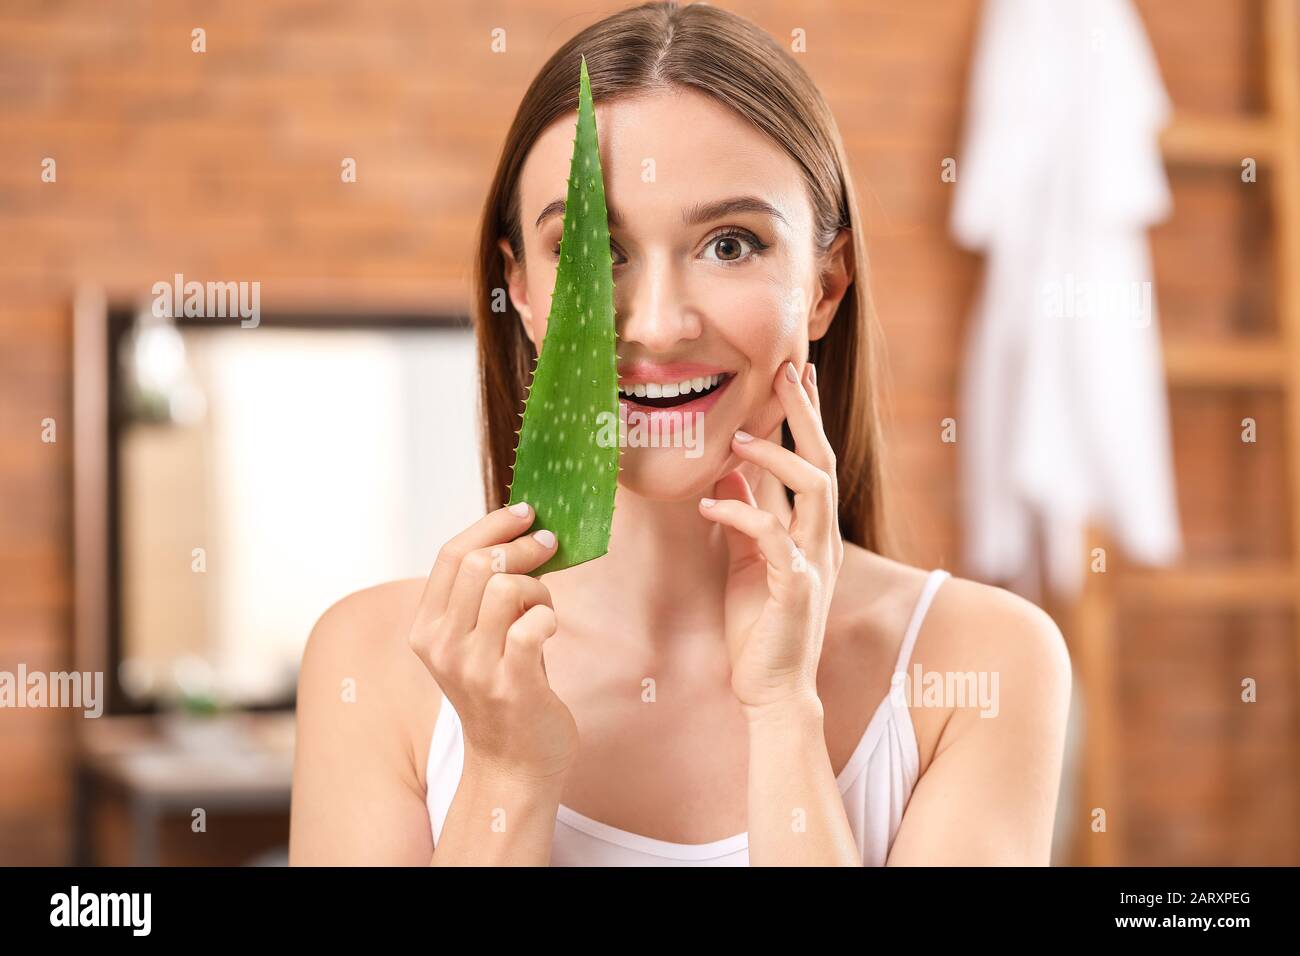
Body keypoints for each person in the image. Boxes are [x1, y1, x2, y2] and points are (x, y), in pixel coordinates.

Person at [289, 0, 1071, 866]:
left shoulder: (983, 661)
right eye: (595, 252)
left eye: (730, 244)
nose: (657, 326)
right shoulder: (373, 664)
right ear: (520, 292)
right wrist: (506, 772)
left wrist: (783, 714)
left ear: (825, 284)